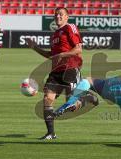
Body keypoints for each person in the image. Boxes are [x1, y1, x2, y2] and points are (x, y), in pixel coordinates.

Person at [26, 7, 83, 140]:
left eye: (61, 14)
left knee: (72, 104)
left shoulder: (70, 27)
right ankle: (51, 133)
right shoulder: (55, 35)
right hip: (55, 72)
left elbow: (78, 49)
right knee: (47, 99)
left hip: (70, 68)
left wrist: (62, 54)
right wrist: (34, 47)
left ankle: (87, 98)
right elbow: (50, 55)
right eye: (56, 14)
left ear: (67, 17)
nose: (58, 16)